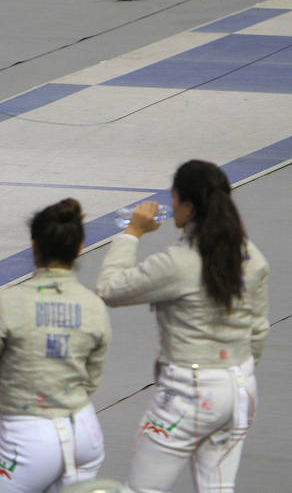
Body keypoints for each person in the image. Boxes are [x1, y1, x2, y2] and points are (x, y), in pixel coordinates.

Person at [95, 160, 270, 492]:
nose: (171, 206)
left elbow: (109, 289)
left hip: (190, 392)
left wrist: (132, 233)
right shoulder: (253, 256)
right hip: (240, 389)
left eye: (174, 199)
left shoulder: (177, 262)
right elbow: (259, 331)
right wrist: (234, 370)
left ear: (188, 206)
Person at [0, 198, 111, 492]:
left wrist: (14, 400)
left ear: (34, 246)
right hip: (84, 434)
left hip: (26, 437)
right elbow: (91, 378)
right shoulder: (93, 305)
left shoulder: (7, 302)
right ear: (79, 248)